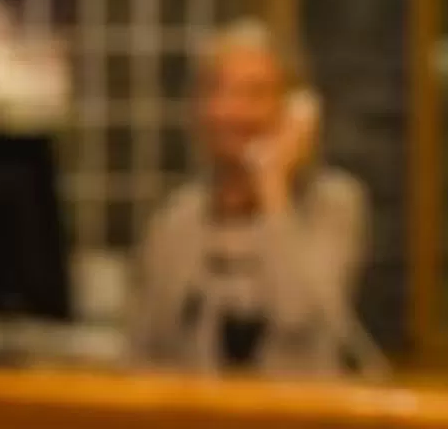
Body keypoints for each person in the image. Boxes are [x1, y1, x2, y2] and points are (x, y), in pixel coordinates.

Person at [132, 21, 381, 377]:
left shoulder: (335, 205)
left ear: (293, 109)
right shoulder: (175, 221)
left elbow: (298, 315)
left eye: (253, 94)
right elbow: (144, 353)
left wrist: (271, 184)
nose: (230, 110)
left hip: (297, 409)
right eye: (218, 91)